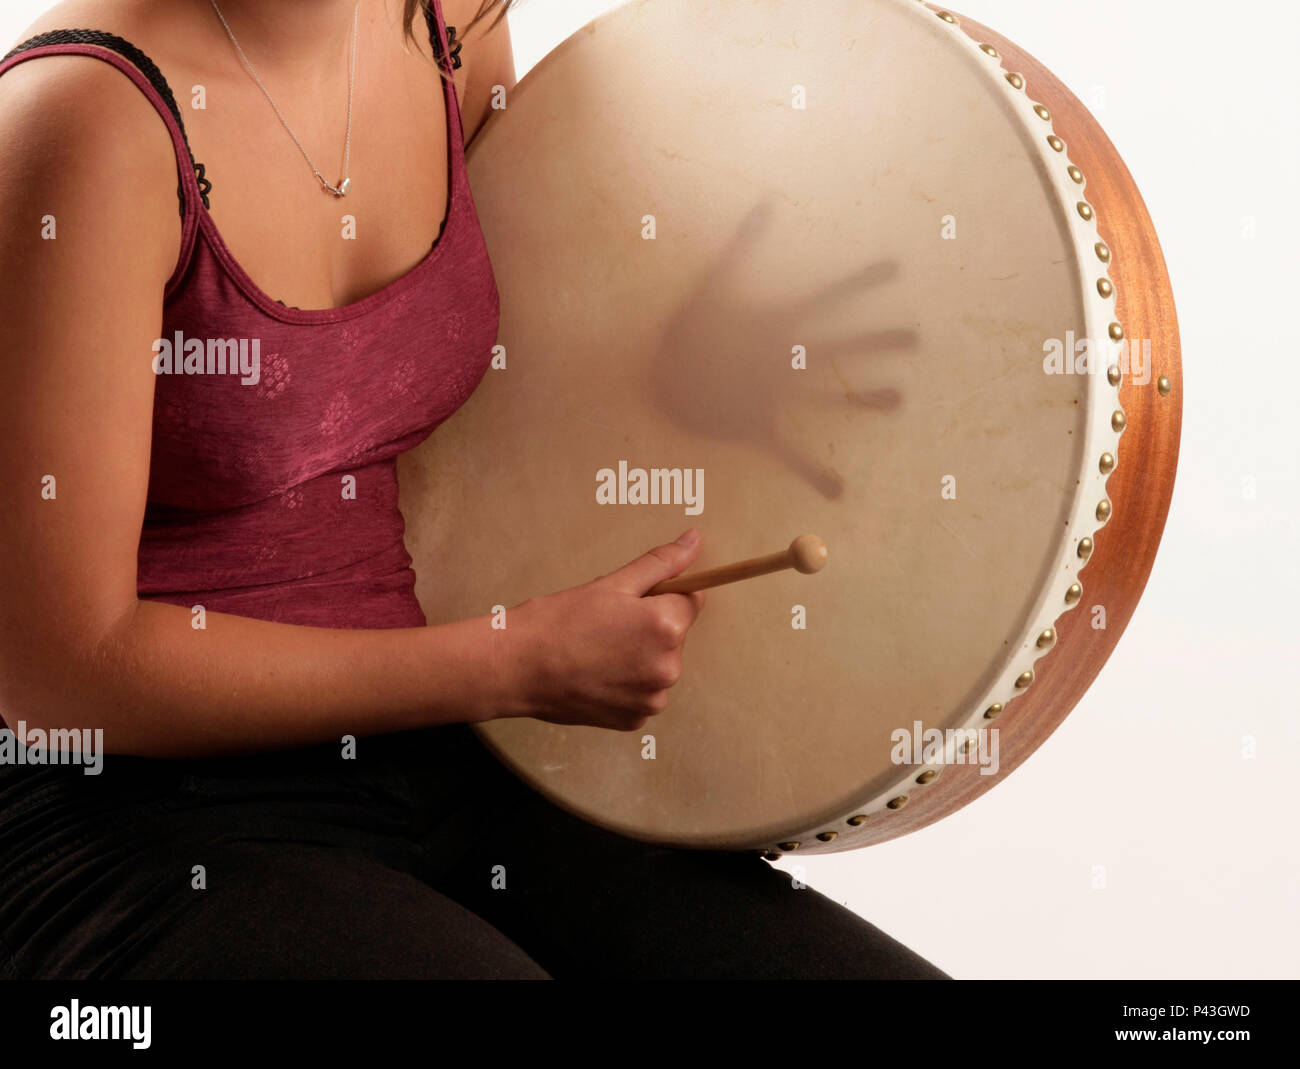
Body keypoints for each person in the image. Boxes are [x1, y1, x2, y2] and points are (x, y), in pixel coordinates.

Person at [0, 0, 949, 980]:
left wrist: (680, 369)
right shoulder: (88, 123)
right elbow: (60, 671)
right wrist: (508, 664)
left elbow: (502, 358)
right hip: (141, 812)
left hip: (449, 751)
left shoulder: (446, 26)